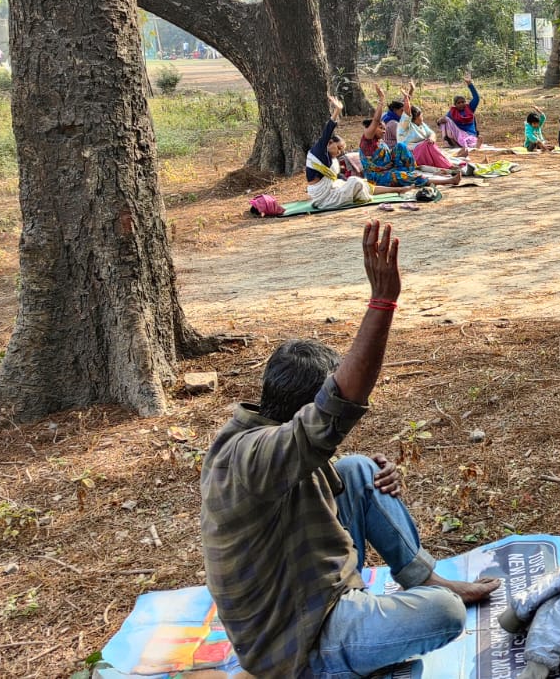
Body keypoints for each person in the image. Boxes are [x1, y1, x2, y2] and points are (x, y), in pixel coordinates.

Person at [201, 223, 501, 679]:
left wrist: (371, 485)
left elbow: (320, 463)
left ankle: (424, 579)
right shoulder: (250, 458)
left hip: (321, 593)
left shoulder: (268, 434)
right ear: (306, 409)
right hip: (297, 642)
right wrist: (383, 302)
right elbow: (339, 403)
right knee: (444, 613)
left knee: (359, 470)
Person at [360, 85, 459, 188]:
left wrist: (407, 97)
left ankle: (411, 172)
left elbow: (408, 112)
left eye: (384, 128)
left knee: (401, 147)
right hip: (377, 177)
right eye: (381, 128)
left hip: (389, 169)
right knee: (402, 176)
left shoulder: (380, 141)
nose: (384, 131)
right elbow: (376, 120)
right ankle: (449, 180)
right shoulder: (368, 140)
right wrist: (381, 99)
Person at [440, 74, 481, 150]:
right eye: (458, 103)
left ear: (465, 102)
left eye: (463, 102)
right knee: (446, 120)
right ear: (455, 105)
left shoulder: (470, 108)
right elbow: (443, 121)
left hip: (470, 134)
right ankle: (453, 143)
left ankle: (474, 144)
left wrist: (469, 84)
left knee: (470, 142)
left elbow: (476, 98)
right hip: (458, 134)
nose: (461, 104)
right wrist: (439, 120)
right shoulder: (452, 112)